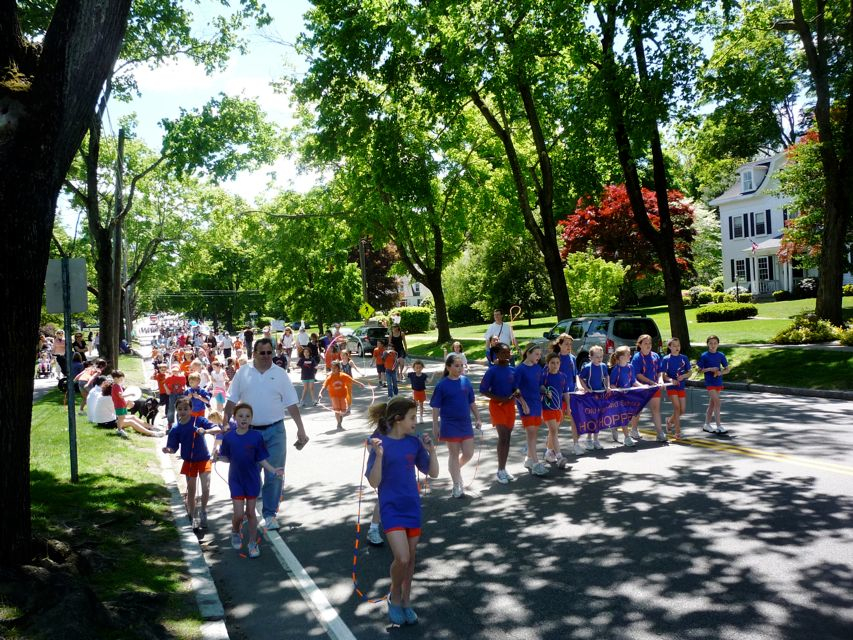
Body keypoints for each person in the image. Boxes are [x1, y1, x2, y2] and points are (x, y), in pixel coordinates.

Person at [366, 396, 439, 626]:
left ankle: (406, 600)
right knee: (402, 557)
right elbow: (374, 482)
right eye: (412, 417)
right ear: (398, 419)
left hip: (411, 506)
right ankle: (394, 595)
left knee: (411, 559)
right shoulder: (380, 443)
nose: (415, 421)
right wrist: (378, 457)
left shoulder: (414, 443)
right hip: (391, 507)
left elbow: (432, 473)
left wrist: (432, 451)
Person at [223, 337, 308, 530]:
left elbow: (291, 404)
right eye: (262, 353)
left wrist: (301, 429)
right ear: (254, 353)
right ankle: (248, 511)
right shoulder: (243, 373)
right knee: (250, 473)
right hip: (248, 433)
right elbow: (231, 400)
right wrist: (225, 422)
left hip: (276, 430)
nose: (267, 356)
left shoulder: (280, 374)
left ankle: (270, 514)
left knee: (275, 474)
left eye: (270, 352)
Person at [215, 402, 284, 558]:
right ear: (235, 418)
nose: (244, 419)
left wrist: (273, 470)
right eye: (240, 416)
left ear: (251, 419)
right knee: (239, 515)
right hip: (236, 480)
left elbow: (261, 459)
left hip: (252, 480)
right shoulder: (229, 437)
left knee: (250, 513)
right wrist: (218, 457)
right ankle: (235, 530)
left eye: (247, 416)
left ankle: (252, 543)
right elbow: (227, 457)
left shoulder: (256, 437)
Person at [163, 397, 219, 529]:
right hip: (189, 462)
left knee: (205, 487)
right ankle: (192, 516)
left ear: (191, 409)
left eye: (186, 409)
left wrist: (205, 431)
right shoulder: (176, 428)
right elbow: (173, 447)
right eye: (180, 409)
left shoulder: (198, 420)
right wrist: (168, 449)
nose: (183, 411)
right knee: (192, 490)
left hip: (204, 459)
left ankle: (203, 511)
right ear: (176, 410)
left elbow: (217, 428)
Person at [431, 354, 481, 497]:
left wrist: (478, 418)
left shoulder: (466, 381)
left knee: (468, 453)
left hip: (465, 423)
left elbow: (472, 402)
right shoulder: (442, 385)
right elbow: (435, 407)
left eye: (462, 366)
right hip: (449, 424)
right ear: (448, 367)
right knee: (454, 453)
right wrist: (436, 426)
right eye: (456, 366)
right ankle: (457, 484)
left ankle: (454, 469)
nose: (460, 368)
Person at [478, 343, 518, 483]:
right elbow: (483, 389)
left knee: (508, 438)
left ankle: (504, 468)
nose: (508, 355)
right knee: (503, 436)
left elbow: (516, 389)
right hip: (497, 406)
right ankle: (500, 470)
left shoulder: (513, 370)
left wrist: (517, 394)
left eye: (509, 352)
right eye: (504, 353)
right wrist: (499, 398)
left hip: (510, 407)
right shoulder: (492, 371)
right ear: (497, 354)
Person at [514, 344, 548, 476]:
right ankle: (536, 463)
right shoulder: (520, 369)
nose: (539, 357)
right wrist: (523, 404)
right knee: (531, 433)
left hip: (536, 404)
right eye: (536, 354)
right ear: (528, 353)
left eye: (540, 355)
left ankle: (528, 459)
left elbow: (540, 385)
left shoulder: (538, 368)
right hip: (526, 405)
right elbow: (515, 390)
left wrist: (545, 392)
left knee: (534, 433)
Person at [630, 334, 666, 443]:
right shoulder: (637, 357)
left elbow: (659, 371)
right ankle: (634, 430)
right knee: (638, 410)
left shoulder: (655, 356)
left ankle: (660, 433)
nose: (648, 345)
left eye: (650, 343)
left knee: (656, 409)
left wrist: (660, 380)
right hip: (640, 388)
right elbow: (637, 374)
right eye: (645, 343)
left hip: (654, 387)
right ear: (639, 345)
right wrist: (650, 382)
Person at [552, 334, 585, 455]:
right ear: (559, 344)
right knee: (556, 424)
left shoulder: (572, 358)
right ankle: (551, 449)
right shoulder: (555, 359)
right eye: (566, 344)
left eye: (570, 344)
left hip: (571, 393)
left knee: (575, 420)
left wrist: (579, 386)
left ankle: (576, 445)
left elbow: (575, 375)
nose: (569, 346)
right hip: (559, 396)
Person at [110, 370, 163, 438]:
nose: (122, 381)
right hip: (119, 405)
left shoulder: (118, 385)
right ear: (115, 379)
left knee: (122, 417)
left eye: (122, 379)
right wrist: (130, 394)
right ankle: (119, 429)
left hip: (122, 405)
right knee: (121, 418)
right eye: (121, 379)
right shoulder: (116, 386)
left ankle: (152, 428)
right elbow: (121, 396)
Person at [540, 353, 570, 467]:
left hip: (558, 408)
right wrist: (546, 391)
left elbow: (565, 392)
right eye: (552, 363)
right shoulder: (544, 375)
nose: (555, 365)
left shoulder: (563, 376)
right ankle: (559, 456)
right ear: (548, 364)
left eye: (557, 363)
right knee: (554, 431)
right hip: (547, 408)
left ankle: (548, 452)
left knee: (552, 432)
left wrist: (568, 406)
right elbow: (540, 387)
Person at [578, 345, 610, 450]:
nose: (599, 359)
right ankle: (588, 439)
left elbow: (606, 376)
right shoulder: (587, 367)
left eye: (600, 356)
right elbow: (580, 377)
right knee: (591, 417)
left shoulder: (603, 366)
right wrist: (586, 388)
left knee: (599, 418)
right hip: (591, 396)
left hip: (601, 394)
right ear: (590, 357)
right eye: (596, 357)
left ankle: (596, 439)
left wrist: (607, 386)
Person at [319, 361, 368, 429]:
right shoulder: (330, 377)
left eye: (335, 368)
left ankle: (340, 419)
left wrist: (360, 383)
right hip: (334, 396)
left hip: (343, 396)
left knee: (343, 411)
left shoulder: (343, 375)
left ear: (339, 368)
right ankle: (339, 423)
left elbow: (351, 380)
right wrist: (320, 393)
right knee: (337, 410)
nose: (333, 369)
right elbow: (324, 386)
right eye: (332, 368)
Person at [697, 335, 729, 434]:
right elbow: (699, 370)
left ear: (718, 344)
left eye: (715, 343)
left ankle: (707, 424)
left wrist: (720, 372)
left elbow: (727, 369)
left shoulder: (721, 355)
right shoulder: (704, 355)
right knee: (717, 402)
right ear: (707, 344)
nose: (713, 345)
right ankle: (719, 426)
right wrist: (710, 369)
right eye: (710, 343)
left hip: (718, 382)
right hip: (709, 382)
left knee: (712, 404)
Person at [608, 346, 639, 447]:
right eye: (628, 354)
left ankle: (614, 426)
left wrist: (643, 386)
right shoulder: (616, 370)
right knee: (624, 416)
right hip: (618, 397)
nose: (630, 355)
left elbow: (633, 381)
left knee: (628, 416)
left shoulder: (630, 367)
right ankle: (627, 438)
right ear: (621, 357)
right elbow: (611, 384)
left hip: (628, 396)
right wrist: (618, 389)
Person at [662, 338, 691, 440]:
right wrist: (671, 380)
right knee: (677, 408)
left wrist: (683, 376)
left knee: (682, 410)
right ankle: (677, 432)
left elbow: (689, 372)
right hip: (671, 387)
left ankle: (669, 421)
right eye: (674, 346)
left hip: (681, 386)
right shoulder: (666, 359)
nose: (677, 347)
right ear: (669, 347)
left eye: (678, 345)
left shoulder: (684, 358)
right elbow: (664, 375)